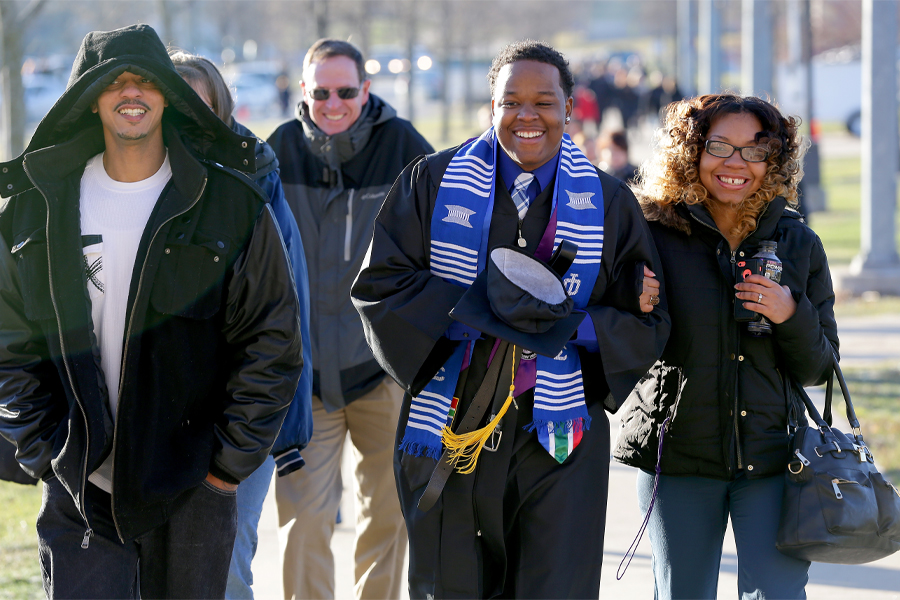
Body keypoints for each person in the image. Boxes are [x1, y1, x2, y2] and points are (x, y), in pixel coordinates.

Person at [351, 40, 669, 599]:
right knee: (453, 584)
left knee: (556, 585)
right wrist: (480, 313)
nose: (528, 115)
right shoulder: (431, 182)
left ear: (570, 107)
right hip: (451, 422)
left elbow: (644, 316)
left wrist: (569, 327)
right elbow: (381, 285)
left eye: (544, 101)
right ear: (491, 107)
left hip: (560, 431)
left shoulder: (609, 202)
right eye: (511, 101)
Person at [0, 24, 304, 598]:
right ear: (90, 99)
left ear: (167, 93)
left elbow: (272, 342)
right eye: (113, 82)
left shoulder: (230, 205)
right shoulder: (33, 211)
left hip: (192, 484)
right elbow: (7, 341)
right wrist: (45, 452)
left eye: (145, 80)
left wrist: (225, 467)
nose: (131, 92)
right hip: (79, 485)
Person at [612, 94, 839, 599]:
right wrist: (630, 299)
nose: (736, 164)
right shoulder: (650, 234)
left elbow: (820, 366)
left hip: (774, 459)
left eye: (754, 151)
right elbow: (616, 340)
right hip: (680, 457)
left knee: (777, 595)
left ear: (773, 161)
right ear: (689, 152)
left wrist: (789, 314)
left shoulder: (798, 244)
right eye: (719, 146)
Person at [267, 38, 434, 600]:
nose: (333, 103)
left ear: (366, 90)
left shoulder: (406, 149)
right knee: (303, 523)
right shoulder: (277, 152)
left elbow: (446, 248)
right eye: (320, 92)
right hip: (303, 377)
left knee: (387, 520)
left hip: (384, 373)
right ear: (303, 92)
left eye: (345, 91)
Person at [170, 50, 314, 600]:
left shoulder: (257, 178)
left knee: (224, 564)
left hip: (239, 412)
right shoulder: (132, 178)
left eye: (199, 107)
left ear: (222, 110)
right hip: (155, 417)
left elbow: (281, 315)